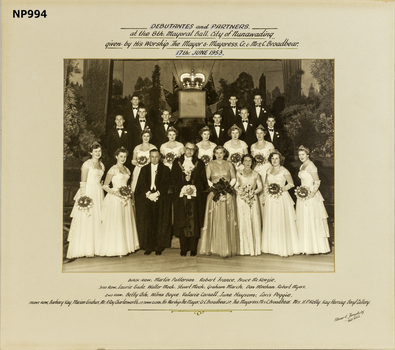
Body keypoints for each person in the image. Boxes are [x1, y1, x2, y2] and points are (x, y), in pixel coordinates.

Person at [66, 142, 105, 259]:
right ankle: (83, 248)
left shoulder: (102, 165)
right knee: (87, 218)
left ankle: (96, 247)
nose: (98, 153)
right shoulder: (86, 164)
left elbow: (100, 180)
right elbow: (83, 182)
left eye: (99, 151)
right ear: (90, 152)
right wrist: (83, 197)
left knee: (98, 217)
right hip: (88, 191)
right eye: (95, 151)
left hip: (98, 192)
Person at [199, 146, 239, 258]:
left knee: (227, 218)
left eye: (221, 153)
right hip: (214, 194)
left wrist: (227, 188)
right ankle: (213, 247)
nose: (219, 155)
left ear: (224, 153)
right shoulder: (210, 164)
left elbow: (234, 178)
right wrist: (216, 188)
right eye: (217, 153)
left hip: (227, 194)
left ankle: (226, 248)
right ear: (214, 154)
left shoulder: (229, 164)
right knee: (215, 218)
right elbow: (207, 179)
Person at [99, 147, 139, 257]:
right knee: (116, 223)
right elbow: (105, 186)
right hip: (115, 199)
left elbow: (128, 185)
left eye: (125, 156)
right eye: (121, 156)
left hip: (125, 199)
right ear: (116, 157)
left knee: (125, 221)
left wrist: (127, 194)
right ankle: (116, 249)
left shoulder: (127, 169)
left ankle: (126, 247)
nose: (123, 158)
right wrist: (118, 194)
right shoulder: (112, 169)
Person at [171, 143, 208, 256]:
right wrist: (182, 188)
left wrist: (194, 188)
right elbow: (173, 179)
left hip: (194, 198)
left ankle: (193, 248)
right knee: (183, 221)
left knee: (194, 222)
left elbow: (203, 180)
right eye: (188, 149)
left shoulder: (199, 163)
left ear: (195, 151)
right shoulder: (177, 162)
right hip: (181, 198)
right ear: (184, 149)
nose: (190, 151)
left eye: (192, 149)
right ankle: (183, 248)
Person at [261, 150, 300, 257]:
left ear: (280, 160)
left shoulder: (284, 171)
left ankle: (282, 247)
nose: (274, 160)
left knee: (280, 219)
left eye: (276, 158)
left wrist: (280, 189)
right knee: (271, 219)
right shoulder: (268, 170)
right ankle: (271, 247)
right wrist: (265, 196)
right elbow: (265, 184)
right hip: (270, 198)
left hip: (281, 197)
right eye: (272, 158)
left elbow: (291, 184)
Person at [134, 149, 172, 255]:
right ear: (149, 157)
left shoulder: (165, 169)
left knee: (159, 222)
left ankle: (158, 246)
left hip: (160, 199)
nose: (154, 159)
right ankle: (149, 246)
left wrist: (157, 194)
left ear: (160, 157)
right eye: (152, 157)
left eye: (156, 157)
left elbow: (167, 184)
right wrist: (148, 194)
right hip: (148, 198)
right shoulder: (144, 169)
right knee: (148, 223)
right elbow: (141, 184)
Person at [296, 146, 330, 254]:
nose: (301, 157)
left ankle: (315, 247)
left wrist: (311, 193)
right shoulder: (302, 165)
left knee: (311, 218)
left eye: (303, 154)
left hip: (310, 195)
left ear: (308, 155)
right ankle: (305, 247)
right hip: (302, 195)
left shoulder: (311, 165)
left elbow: (317, 182)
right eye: (299, 154)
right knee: (304, 218)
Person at [235, 154, 263, 256]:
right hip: (242, 199)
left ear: (252, 162)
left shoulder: (256, 174)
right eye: (245, 161)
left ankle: (254, 248)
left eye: (249, 161)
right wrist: (242, 193)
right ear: (242, 162)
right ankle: (244, 248)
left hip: (252, 199)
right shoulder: (239, 173)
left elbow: (260, 187)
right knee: (243, 220)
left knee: (253, 220)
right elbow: (236, 186)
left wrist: (252, 193)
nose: (247, 163)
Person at [130, 128, 157, 192]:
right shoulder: (137, 147)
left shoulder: (153, 147)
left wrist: (147, 162)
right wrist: (139, 163)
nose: (146, 138)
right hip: (139, 169)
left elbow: (155, 160)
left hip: (149, 169)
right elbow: (133, 161)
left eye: (148, 136)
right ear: (141, 137)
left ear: (150, 137)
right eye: (144, 136)